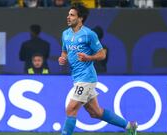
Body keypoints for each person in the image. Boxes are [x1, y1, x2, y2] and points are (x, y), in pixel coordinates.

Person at [58, 3, 138, 135]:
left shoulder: (89, 34)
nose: (68, 17)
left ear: (80, 18)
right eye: (68, 14)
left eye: (72, 15)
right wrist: (62, 58)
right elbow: (64, 52)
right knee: (96, 112)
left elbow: (102, 54)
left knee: (71, 109)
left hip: (87, 77)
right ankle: (130, 126)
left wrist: (88, 58)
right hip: (77, 78)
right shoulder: (65, 34)